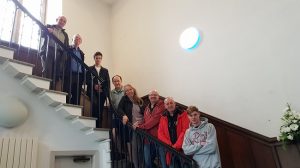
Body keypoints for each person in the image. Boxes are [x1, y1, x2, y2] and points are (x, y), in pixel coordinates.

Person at [134, 90, 166, 168]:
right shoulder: (147, 108)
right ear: (148, 97)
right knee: (147, 161)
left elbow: (155, 120)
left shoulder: (162, 106)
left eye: (155, 95)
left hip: (159, 138)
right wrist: (138, 124)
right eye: (151, 95)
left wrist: (141, 126)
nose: (153, 96)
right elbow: (145, 120)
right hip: (148, 138)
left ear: (158, 97)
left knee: (163, 161)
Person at [117, 84, 144, 168]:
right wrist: (124, 115)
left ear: (133, 89)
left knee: (140, 148)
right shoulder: (124, 99)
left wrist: (141, 122)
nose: (129, 91)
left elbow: (144, 114)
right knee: (134, 149)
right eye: (127, 90)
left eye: (130, 89)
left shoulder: (139, 100)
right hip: (131, 127)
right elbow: (119, 109)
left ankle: (141, 165)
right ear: (125, 93)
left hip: (141, 127)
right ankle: (136, 165)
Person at [158, 97, 190, 168]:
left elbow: (185, 131)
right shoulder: (163, 117)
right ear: (165, 106)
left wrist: (176, 146)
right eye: (167, 104)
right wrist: (169, 145)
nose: (169, 105)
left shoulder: (183, 114)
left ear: (175, 104)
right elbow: (160, 133)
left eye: (171, 103)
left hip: (182, 149)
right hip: (170, 150)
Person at [40, 16, 69, 89]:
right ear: (57, 20)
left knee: (56, 73)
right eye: (61, 20)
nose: (62, 22)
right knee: (47, 71)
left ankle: (52, 90)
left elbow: (66, 47)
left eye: (64, 21)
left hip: (59, 54)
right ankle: (45, 88)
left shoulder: (65, 34)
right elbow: (41, 34)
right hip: (49, 51)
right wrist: (47, 30)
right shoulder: (49, 26)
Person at [86, 51, 110, 128]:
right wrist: (94, 86)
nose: (98, 59)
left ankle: (99, 127)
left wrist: (104, 91)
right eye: (97, 58)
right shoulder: (89, 69)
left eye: (99, 58)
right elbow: (87, 80)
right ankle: (94, 126)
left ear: (101, 59)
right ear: (94, 59)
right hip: (92, 91)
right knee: (95, 107)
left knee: (100, 110)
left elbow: (107, 82)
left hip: (102, 93)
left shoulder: (105, 70)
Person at [63, 34, 84, 105]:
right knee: (67, 92)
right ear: (72, 40)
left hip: (79, 76)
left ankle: (75, 111)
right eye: (76, 38)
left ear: (81, 42)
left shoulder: (81, 53)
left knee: (77, 94)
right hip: (69, 74)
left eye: (79, 39)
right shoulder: (68, 48)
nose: (77, 39)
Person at [110, 75, 124, 159]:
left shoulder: (125, 91)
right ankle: (120, 151)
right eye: (115, 81)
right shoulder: (111, 92)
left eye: (118, 81)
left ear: (121, 81)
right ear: (113, 83)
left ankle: (126, 153)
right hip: (115, 116)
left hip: (124, 117)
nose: (117, 82)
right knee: (114, 133)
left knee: (124, 136)